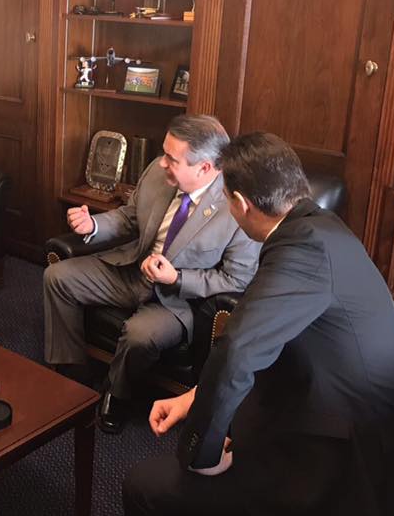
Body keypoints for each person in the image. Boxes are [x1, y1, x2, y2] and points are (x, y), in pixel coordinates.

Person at [121, 133, 394, 516]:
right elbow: (275, 344)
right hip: (359, 436)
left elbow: (238, 351)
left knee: (144, 484)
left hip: (350, 480)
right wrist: (196, 396)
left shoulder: (302, 251)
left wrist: (202, 455)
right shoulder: (320, 228)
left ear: (240, 204)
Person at [43, 114, 260, 434]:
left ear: (204, 168)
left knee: (139, 336)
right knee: (57, 277)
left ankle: (116, 394)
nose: (162, 163)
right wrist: (94, 226)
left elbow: (235, 280)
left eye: (172, 159)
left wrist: (177, 278)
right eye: (164, 153)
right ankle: (73, 372)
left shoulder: (238, 207)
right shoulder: (158, 173)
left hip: (177, 299)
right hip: (133, 271)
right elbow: (130, 217)